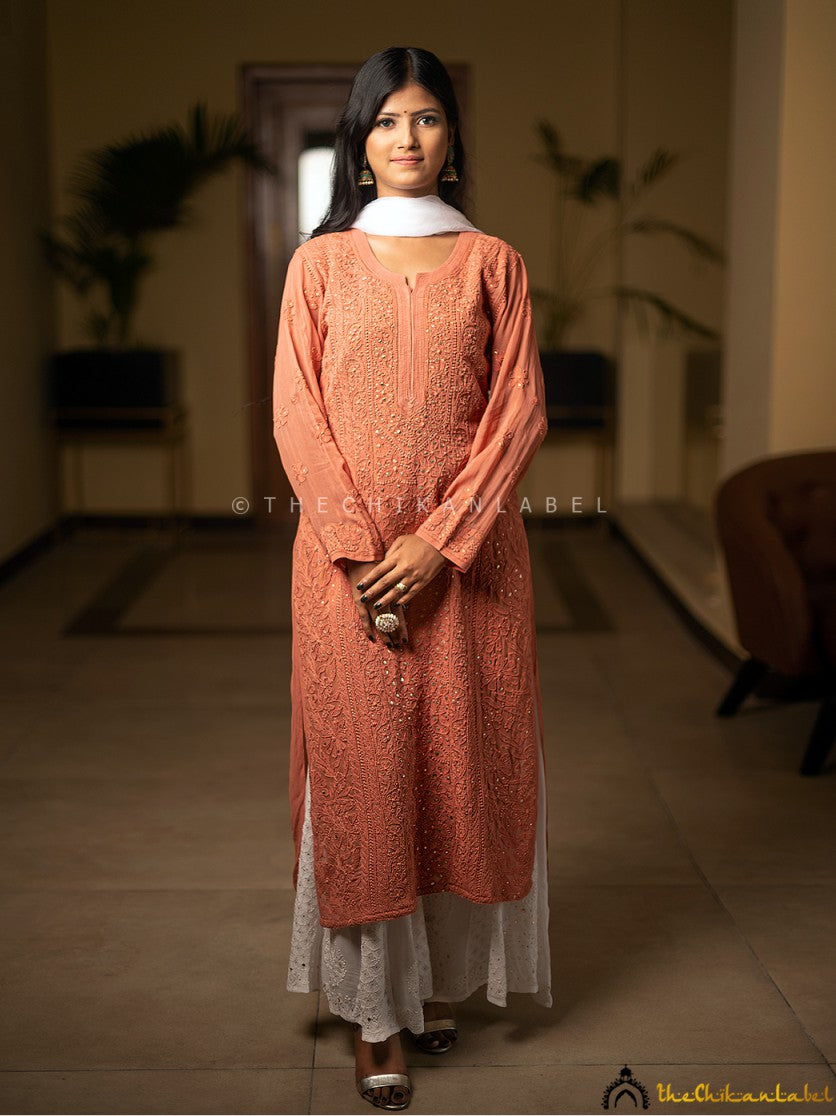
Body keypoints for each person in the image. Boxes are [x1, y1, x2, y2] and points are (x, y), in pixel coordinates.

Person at [272, 45, 552, 1111]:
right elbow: (297, 417)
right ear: (359, 142)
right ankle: (374, 1018)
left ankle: (428, 985)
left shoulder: (494, 264)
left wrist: (439, 544)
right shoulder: (318, 266)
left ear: (451, 138)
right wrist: (360, 556)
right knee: (365, 781)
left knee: (452, 772)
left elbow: (517, 414)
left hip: (472, 569)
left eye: (426, 118)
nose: (406, 137)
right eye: (386, 120)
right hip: (344, 570)